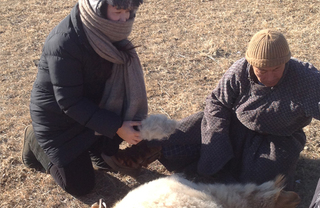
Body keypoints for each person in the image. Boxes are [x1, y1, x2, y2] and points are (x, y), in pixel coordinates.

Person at [117, 29, 320, 190]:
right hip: (236, 125)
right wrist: (216, 140)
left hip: (277, 139)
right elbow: (217, 103)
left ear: (286, 61)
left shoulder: (306, 79)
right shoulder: (240, 69)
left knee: (260, 186)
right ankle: (138, 153)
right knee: (184, 133)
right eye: (262, 70)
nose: (268, 77)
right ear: (251, 63)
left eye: (276, 69)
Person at [21, 0, 159, 196]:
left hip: (93, 110)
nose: (124, 19)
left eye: (128, 11)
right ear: (97, 7)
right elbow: (69, 102)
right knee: (81, 185)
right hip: (60, 122)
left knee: (106, 161)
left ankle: (92, 145)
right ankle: (34, 139)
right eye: (118, 11)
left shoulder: (106, 29)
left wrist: (120, 121)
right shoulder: (64, 42)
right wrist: (118, 126)